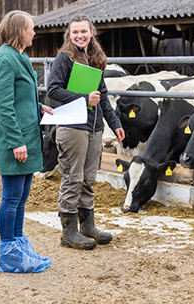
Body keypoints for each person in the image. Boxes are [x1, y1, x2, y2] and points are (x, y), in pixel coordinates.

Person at [47, 13, 125, 250]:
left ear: (91, 33)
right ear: (69, 35)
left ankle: (87, 226)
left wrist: (115, 123)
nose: (80, 35)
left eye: (84, 31)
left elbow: (102, 96)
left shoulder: (95, 59)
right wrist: (83, 98)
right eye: (75, 32)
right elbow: (53, 90)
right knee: (73, 177)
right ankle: (69, 232)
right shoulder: (63, 59)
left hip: (94, 128)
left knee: (89, 179)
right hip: (72, 127)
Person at [0, 10, 54, 273]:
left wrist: (38, 107)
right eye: (31, 28)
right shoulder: (5, 59)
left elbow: (18, 97)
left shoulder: (20, 56)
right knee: (12, 197)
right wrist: (16, 142)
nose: (34, 32)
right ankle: (8, 253)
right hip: (14, 139)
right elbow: (2, 105)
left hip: (27, 134)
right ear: (19, 31)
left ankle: (18, 246)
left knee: (22, 197)